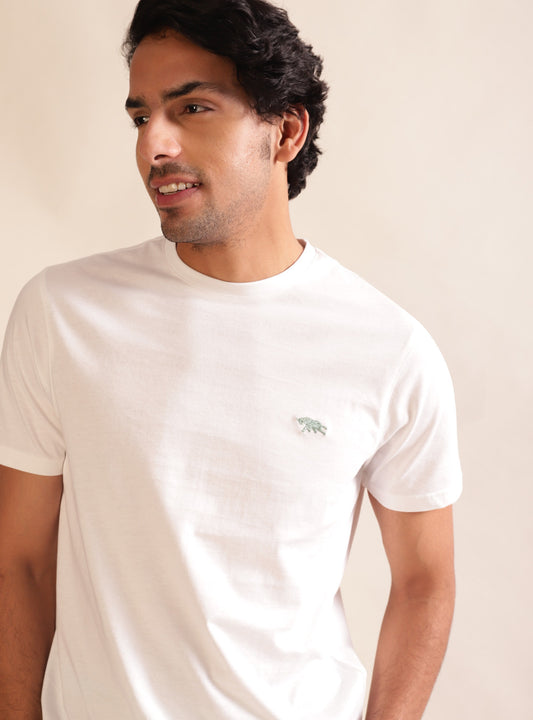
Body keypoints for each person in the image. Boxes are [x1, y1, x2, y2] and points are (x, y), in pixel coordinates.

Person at [0, 0, 462, 718]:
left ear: (285, 131)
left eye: (192, 109)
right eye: (140, 116)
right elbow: (21, 562)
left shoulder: (388, 348)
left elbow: (424, 580)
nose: (154, 145)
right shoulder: (62, 312)